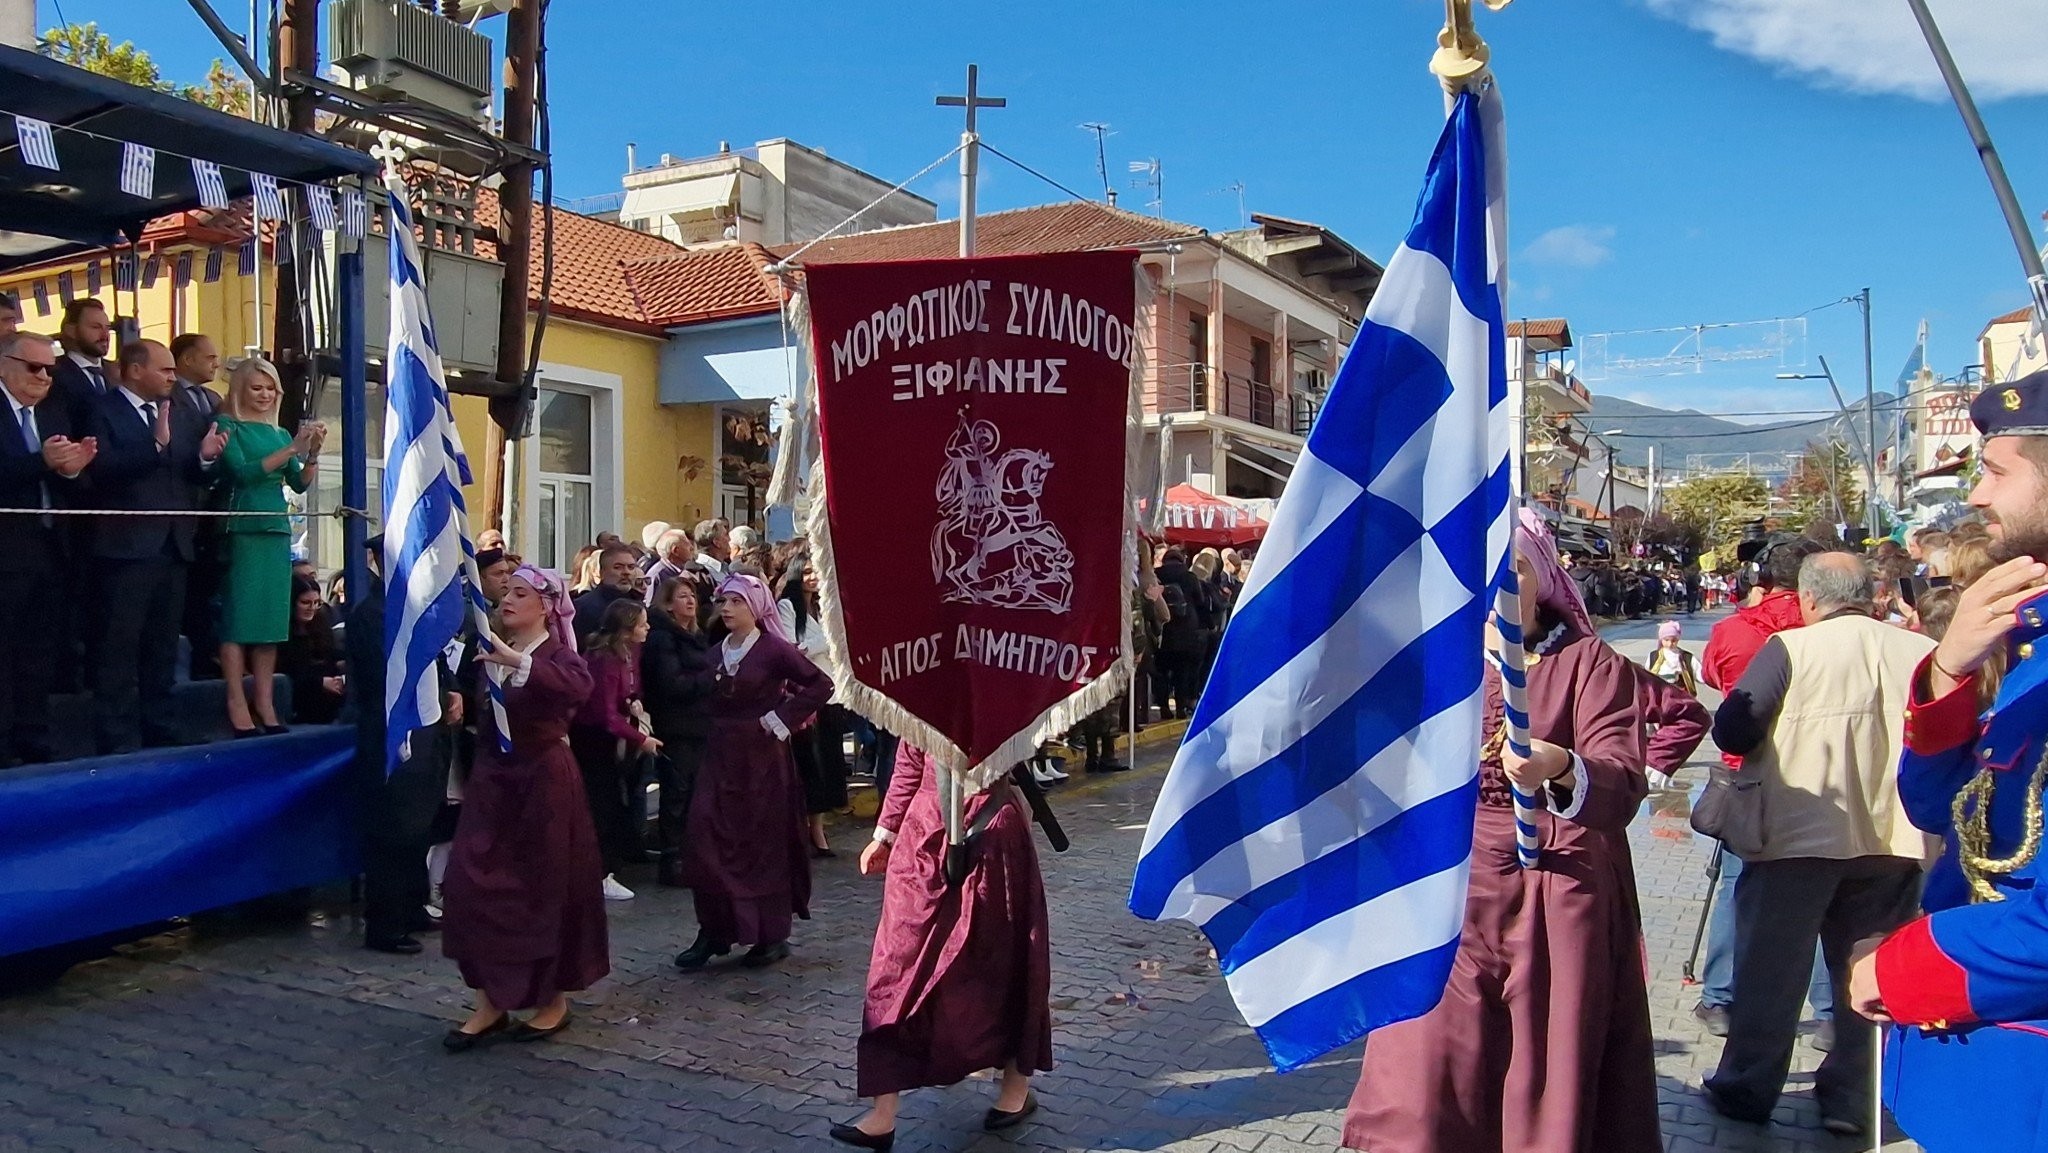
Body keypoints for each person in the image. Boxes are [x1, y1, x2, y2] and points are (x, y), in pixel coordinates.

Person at [1344, 511, 1658, 1153]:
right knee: (1428, 1059)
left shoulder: (1587, 663)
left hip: (1551, 883)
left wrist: (1562, 764)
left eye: (1511, 568)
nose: (1494, 585)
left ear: (1540, 577)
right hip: (1446, 881)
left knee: (1542, 1062)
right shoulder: (1435, 655)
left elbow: (1621, 776)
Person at [1843, 372, 2048, 1152]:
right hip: (1979, 1078)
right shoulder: (2030, 649)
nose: (1980, 497)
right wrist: (1946, 674)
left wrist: (1899, 966)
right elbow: (1946, 812)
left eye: (1997, 470)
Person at [1701, 552, 1935, 1136]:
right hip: (1893, 835)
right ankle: (1852, 1098)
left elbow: (1733, 727)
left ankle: (1748, 1089)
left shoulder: (1791, 649)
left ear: (1808, 597)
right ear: (1872, 593)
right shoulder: (1920, 650)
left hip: (1796, 835)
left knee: (1771, 972)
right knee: (1867, 970)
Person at [830, 744, 1054, 1149]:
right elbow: (908, 765)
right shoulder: (921, 684)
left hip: (994, 838)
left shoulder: (1014, 684)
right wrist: (885, 834)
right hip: (922, 841)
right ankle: (884, 1113)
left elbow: (1027, 743)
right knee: (896, 966)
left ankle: (1015, 1087)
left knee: (1002, 963)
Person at [440, 564, 606, 1050]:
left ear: (547, 606)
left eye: (520, 593)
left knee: (542, 889)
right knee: (473, 883)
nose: (507, 600)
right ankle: (490, 1000)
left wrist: (521, 663)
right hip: (494, 783)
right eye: (505, 592)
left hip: (544, 784)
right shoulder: (486, 650)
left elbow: (578, 690)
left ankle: (551, 998)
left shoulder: (557, 655)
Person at [674, 573, 831, 971]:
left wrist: (780, 719)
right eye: (724, 601)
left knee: (761, 841)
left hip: (762, 759)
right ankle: (715, 928)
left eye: (736, 602)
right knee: (705, 833)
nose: (726, 608)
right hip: (719, 756)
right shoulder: (714, 653)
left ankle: (769, 933)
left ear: (756, 608)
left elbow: (819, 684)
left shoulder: (774, 650)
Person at [85, 339, 229, 754]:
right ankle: (115, 736)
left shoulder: (180, 412)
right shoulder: (102, 409)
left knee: (163, 646)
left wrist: (204, 458)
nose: (172, 378)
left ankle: (159, 726)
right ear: (134, 370)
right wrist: (154, 446)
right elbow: (102, 470)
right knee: (119, 647)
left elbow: (191, 476)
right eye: (164, 370)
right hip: (125, 547)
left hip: (173, 545)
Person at [348, 535, 459, 955]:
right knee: (392, 831)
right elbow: (386, 677)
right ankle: (386, 924)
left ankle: (413, 907)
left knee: (419, 826)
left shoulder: (417, 610)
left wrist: (451, 689)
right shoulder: (373, 615)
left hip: (429, 731)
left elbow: (439, 656)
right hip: (394, 735)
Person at [214, 357, 323, 736]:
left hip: (277, 529)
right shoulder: (228, 425)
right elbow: (243, 473)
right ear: (241, 390)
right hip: (244, 525)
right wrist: (293, 448)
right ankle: (235, 698)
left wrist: (311, 453)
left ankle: (264, 699)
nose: (264, 395)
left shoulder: (278, 434)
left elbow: (300, 484)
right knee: (239, 619)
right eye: (256, 388)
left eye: (269, 388)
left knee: (271, 622)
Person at [0, 331, 93, 766]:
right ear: (5, 364)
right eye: (34, 367)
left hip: (47, 545)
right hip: (6, 550)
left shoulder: (51, 412)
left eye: (50, 370)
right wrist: (44, 462)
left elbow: (68, 476)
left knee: (38, 651)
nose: (43, 377)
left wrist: (72, 471)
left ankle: (33, 735)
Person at [571, 598, 658, 902]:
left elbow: (625, 692)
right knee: (601, 806)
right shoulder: (605, 658)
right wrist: (639, 738)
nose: (647, 628)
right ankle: (599, 873)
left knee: (611, 802)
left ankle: (603, 869)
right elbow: (603, 713)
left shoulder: (627, 653)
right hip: (593, 740)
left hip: (609, 738)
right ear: (627, 627)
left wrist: (632, 704)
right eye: (642, 623)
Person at [642, 575, 716, 886]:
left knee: (693, 792)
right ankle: (673, 859)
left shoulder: (695, 636)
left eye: (692, 596)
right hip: (676, 725)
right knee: (676, 793)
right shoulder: (663, 638)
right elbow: (671, 684)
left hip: (698, 724)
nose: (690, 601)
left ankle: (690, 855)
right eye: (683, 596)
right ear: (669, 603)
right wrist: (711, 679)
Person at [779, 556, 849, 857]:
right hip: (805, 697)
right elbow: (794, 649)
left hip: (831, 694)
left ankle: (819, 830)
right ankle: (810, 833)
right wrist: (831, 643)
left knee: (827, 766)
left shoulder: (821, 607)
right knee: (810, 767)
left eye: (815, 571)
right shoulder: (787, 607)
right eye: (806, 572)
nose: (812, 578)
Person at [171, 333, 227, 681]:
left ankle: (206, 663)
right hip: (180, 510)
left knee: (205, 599)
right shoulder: (168, 397)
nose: (215, 364)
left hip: (210, 515)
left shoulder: (214, 399)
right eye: (209, 357)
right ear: (187, 360)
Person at [279, 575, 346, 725]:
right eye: (305, 603)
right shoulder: (282, 636)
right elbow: (287, 672)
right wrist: (320, 683)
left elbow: (331, 657)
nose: (312, 608)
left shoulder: (322, 627)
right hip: (299, 698)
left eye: (317, 603)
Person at [572, 542, 638, 642]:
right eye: (618, 567)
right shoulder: (584, 606)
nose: (626, 572)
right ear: (602, 573)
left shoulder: (638, 603)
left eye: (631, 567)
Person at [1645, 620, 1700, 696]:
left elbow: (1700, 673)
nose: (1670, 643)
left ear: (1678, 639)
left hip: (1680, 696)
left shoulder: (1687, 657)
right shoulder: (1653, 656)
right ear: (1661, 640)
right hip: (1660, 695)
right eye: (1666, 640)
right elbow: (1646, 676)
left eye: (1673, 640)